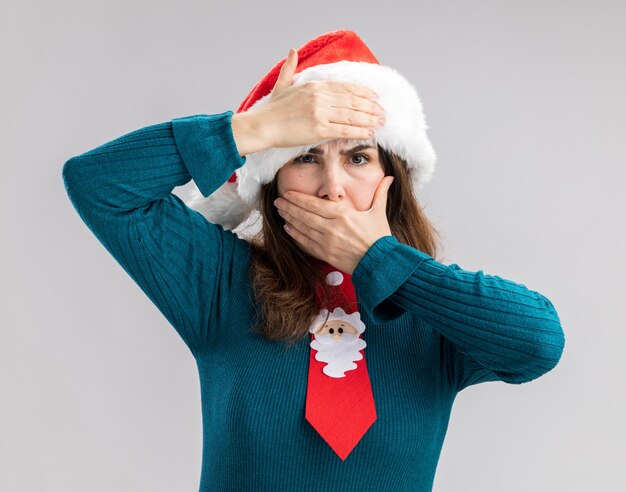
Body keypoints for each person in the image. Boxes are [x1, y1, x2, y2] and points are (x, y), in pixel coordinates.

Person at [61, 29, 565, 492]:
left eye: (358, 158)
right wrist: (251, 130)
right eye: (304, 157)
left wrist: (381, 260)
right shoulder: (218, 282)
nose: (332, 187)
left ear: (395, 180)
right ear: (273, 179)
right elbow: (98, 184)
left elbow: (538, 343)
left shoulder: (430, 310)